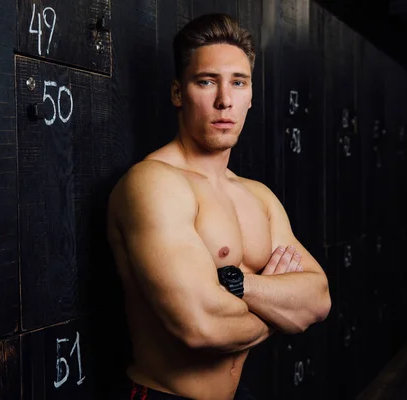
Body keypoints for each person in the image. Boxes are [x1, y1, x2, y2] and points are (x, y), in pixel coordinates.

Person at [106, 13, 331, 400]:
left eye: (238, 83)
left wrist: (240, 286)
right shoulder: (153, 184)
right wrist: (281, 312)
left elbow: (319, 298)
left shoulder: (257, 196)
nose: (225, 100)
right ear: (178, 93)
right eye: (207, 81)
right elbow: (201, 326)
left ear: (250, 96)